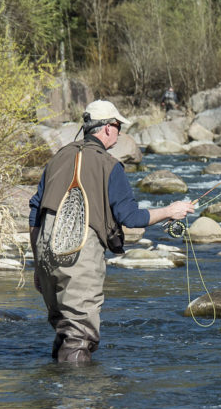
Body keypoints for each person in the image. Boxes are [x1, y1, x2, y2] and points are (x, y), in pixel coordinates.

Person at [29, 100, 194, 364]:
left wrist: (38, 265)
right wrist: (171, 211)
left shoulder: (57, 157)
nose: (119, 132)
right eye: (118, 126)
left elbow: (35, 212)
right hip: (80, 255)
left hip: (46, 254)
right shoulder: (110, 165)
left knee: (64, 331)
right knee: (79, 335)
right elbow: (131, 218)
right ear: (106, 128)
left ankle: (55, 397)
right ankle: (78, 400)